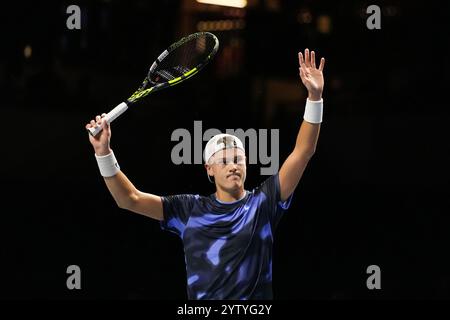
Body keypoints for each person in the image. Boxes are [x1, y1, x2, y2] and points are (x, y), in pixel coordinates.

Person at [86, 49, 325, 299]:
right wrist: (104, 153)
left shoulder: (263, 203)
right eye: (223, 161)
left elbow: (303, 151)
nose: (232, 165)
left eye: (237, 160)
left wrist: (315, 97)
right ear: (209, 169)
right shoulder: (189, 210)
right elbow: (129, 199)